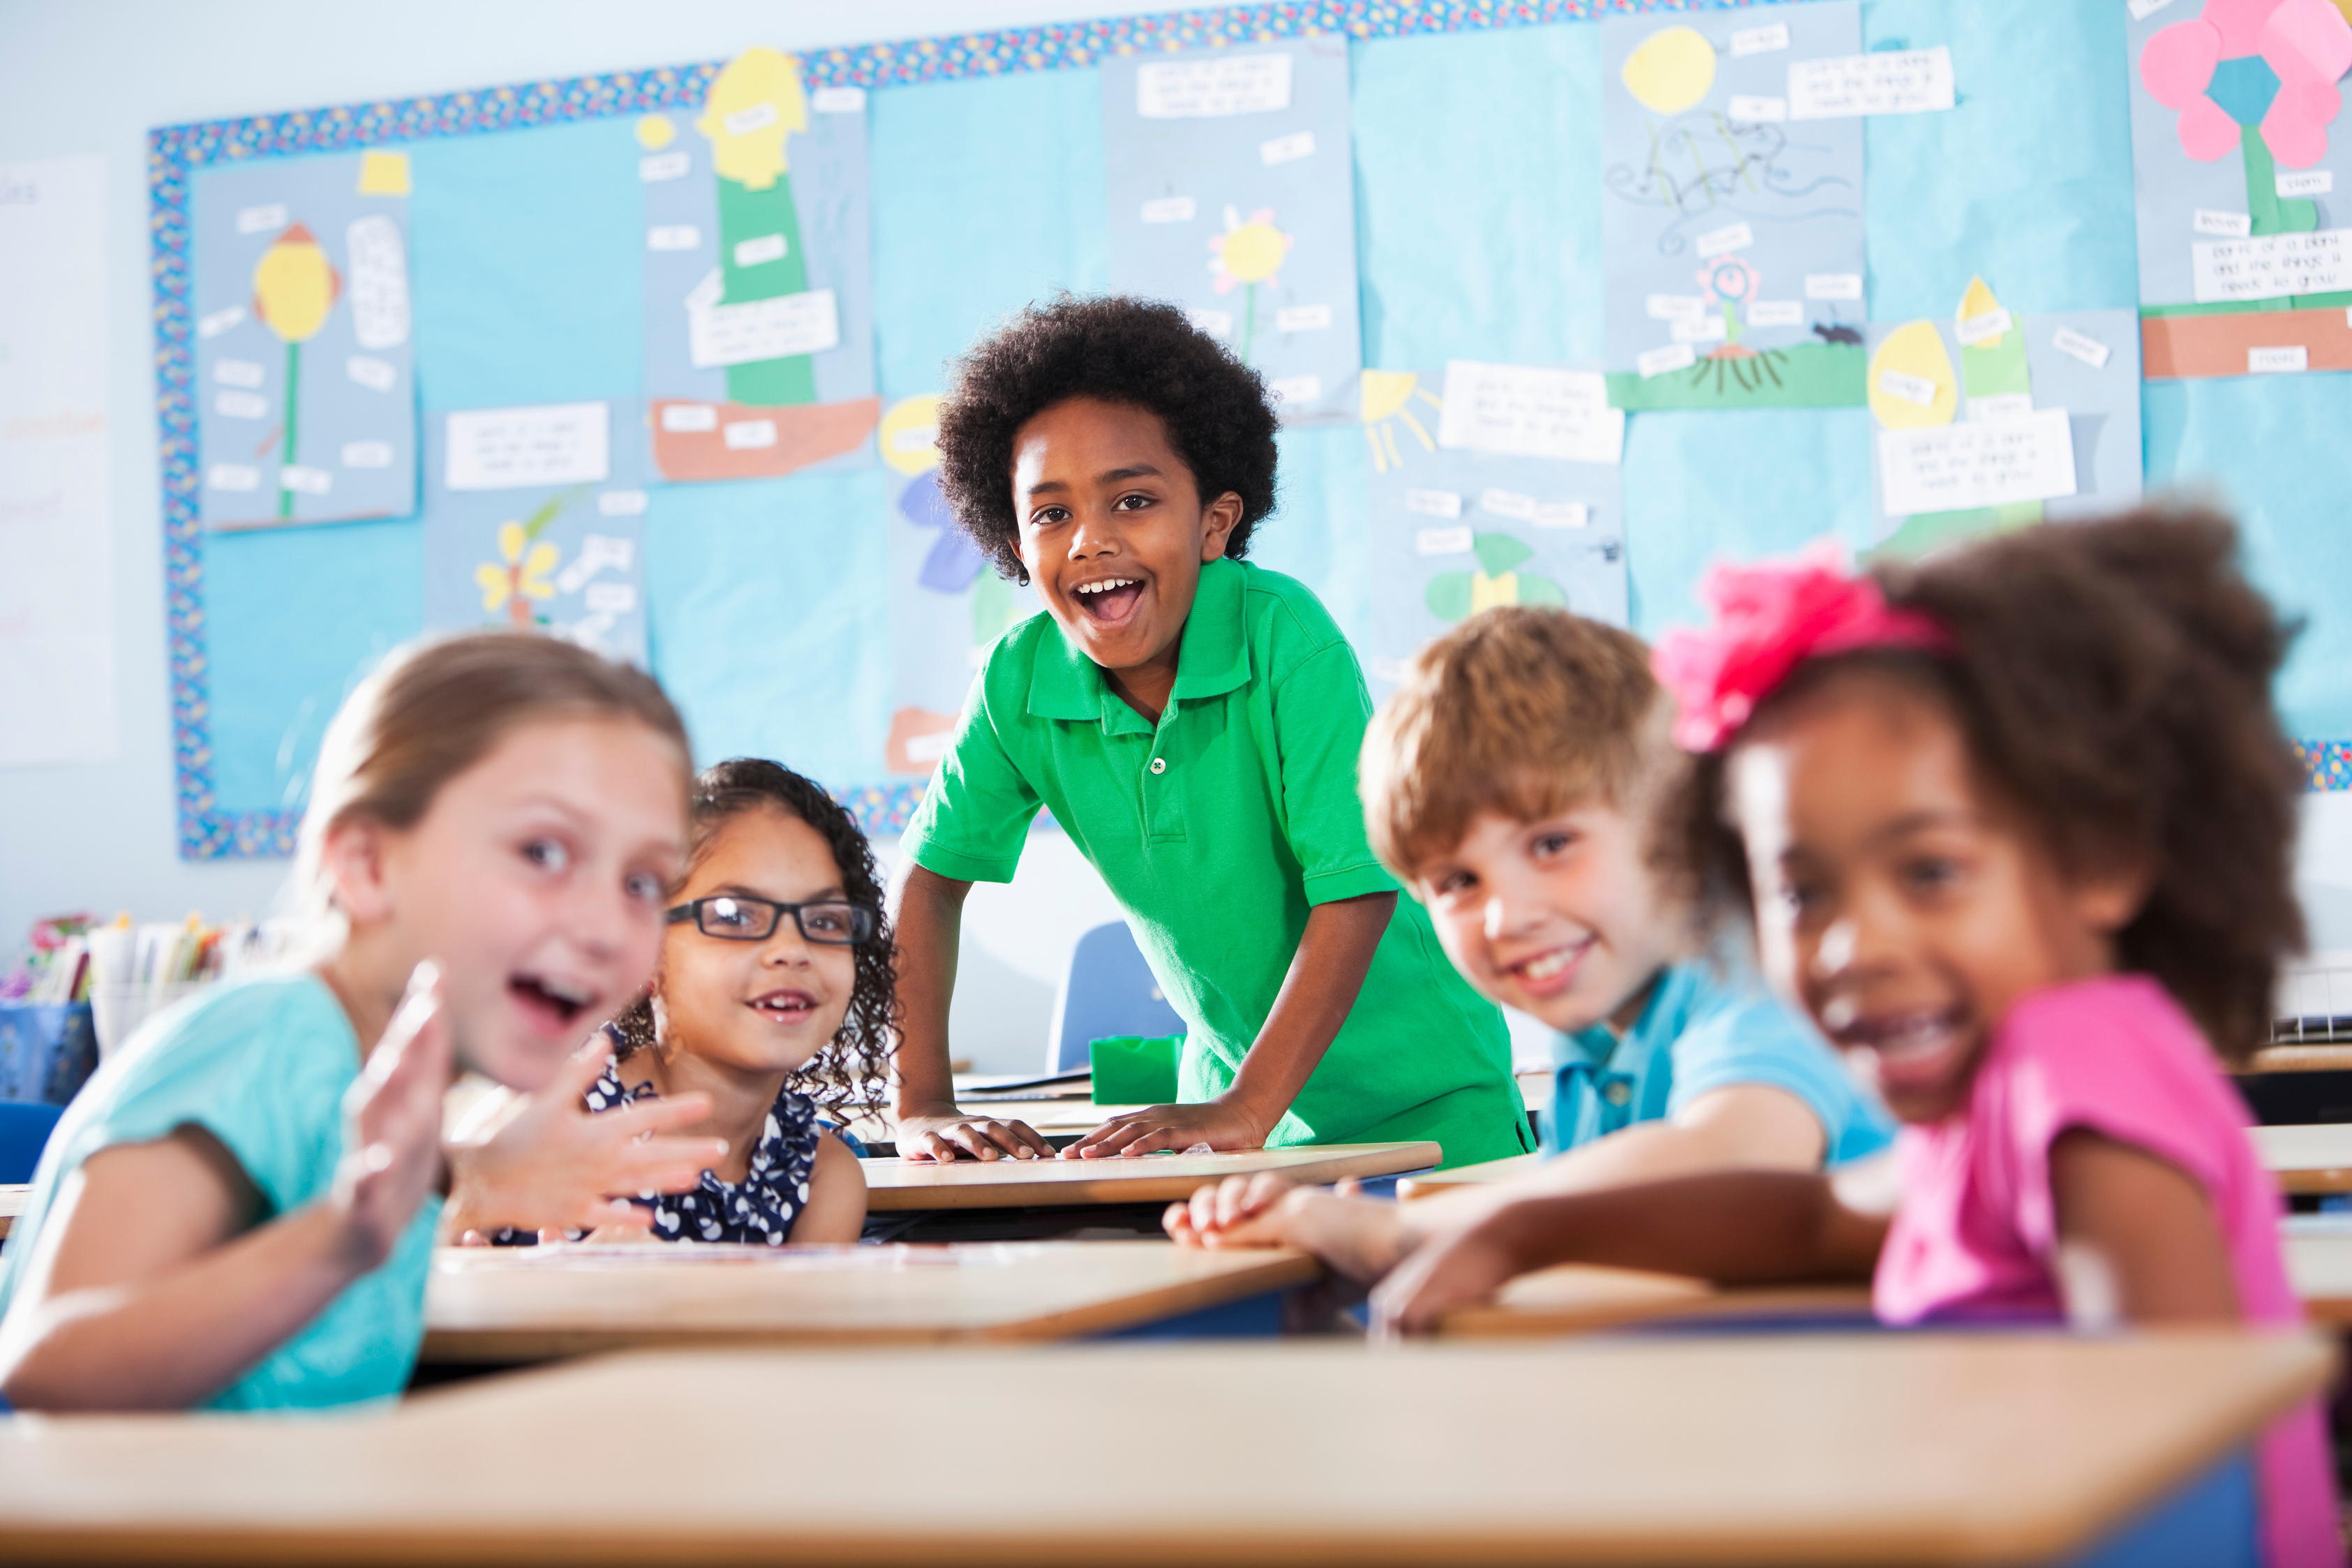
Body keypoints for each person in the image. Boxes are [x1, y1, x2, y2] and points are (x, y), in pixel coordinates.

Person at [1364, 513, 2338, 1567]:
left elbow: (2174, 1473)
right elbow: (1812, 1216)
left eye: (1927, 872)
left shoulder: (2080, 1081)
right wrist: (1527, 1234)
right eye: (1800, 888)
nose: (1850, 945)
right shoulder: (1998, 1091)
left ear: (2096, 860)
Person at [893, 294, 1527, 1167]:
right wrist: (922, 1102)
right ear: (1013, 540)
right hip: (1230, 1118)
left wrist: (1246, 1108)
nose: (1089, 540)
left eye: (1133, 501)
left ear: (1214, 523)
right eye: (1051, 513)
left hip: (1423, 1107)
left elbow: (1356, 890)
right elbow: (930, 883)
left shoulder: (1284, 639)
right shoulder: (1017, 680)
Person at [0, 633, 710, 1410]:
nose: (607, 925)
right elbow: (50, 1367)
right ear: (367, 865)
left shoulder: (373, 1084)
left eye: (642, 881)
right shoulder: (271, 1038)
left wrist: (454, 1178)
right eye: (542, 851)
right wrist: (345, 1237)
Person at [1166, 607, 1890, 1280]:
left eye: (1551, 844)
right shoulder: (1599, 1036)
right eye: (1457, 882)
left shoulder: (1754, 977)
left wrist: (1397, 1231)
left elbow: (1731, 1157)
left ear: (1682, 825)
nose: (1505, 918)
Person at [470, 760, 884, 1245]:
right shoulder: (550, 1118)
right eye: (734, 915)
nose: (792, 949)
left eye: (825, 920)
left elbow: (792, 1324)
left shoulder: (822, 1175)